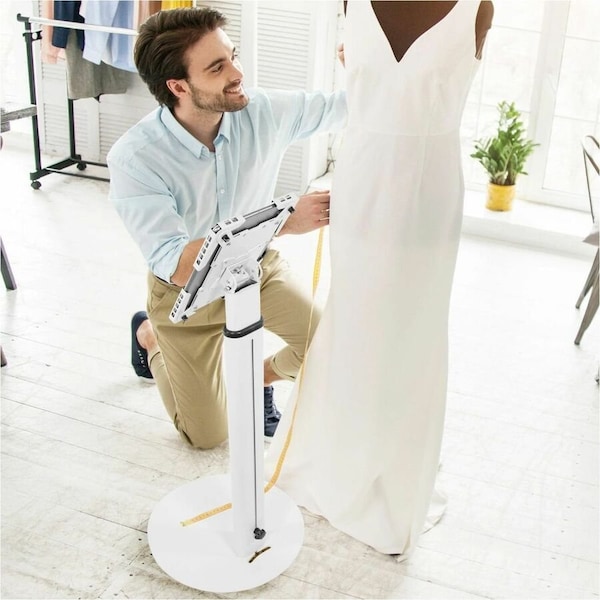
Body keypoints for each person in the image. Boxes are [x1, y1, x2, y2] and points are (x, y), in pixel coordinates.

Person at [266, 0, 493, 558]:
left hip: (426, 189)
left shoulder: (477, 7)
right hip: (363, 179)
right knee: (353, 320)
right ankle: (337, 454)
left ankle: (395, 470)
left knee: (411, 330)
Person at [107, 7, 346, 448]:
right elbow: (179, 265)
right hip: (185, 296)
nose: (238, 74)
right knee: (207, 437)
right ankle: (150, 338)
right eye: (217, 68)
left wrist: (367, 66)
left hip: (256, 271)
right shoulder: (135, 159)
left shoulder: (263, 111)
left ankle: (257, 378)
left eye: (232, 56)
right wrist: (282, 220)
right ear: (178, 86)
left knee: (332, 346)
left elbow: (346, 108)